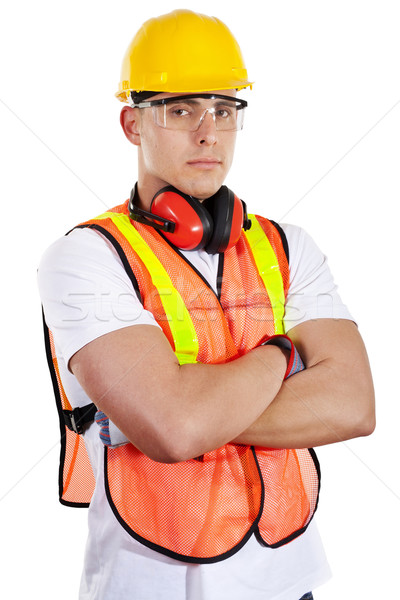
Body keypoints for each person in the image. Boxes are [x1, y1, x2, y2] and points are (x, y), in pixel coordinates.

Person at [38, 9, 375, 600]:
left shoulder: (288, 246)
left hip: (287, 582)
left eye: (224, 110)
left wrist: (194, 412)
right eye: (180, 108)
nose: (207, 132)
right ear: (132, 123)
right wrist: (279, 352)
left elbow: (353, 405)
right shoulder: (85, 259)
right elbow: (174, 428)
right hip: (147, 584)